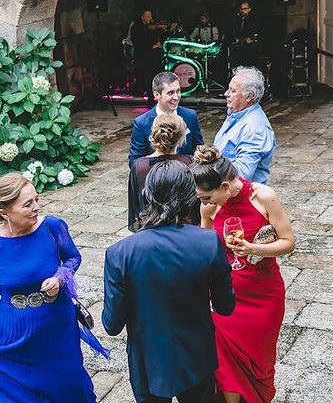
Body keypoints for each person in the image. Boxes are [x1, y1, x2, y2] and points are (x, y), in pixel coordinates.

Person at [103, 160, 236, 403]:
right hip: (196, 356)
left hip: (147, 361)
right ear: (190, 196)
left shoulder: (119, 253)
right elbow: (225, 306)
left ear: (148, 195)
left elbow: (111, 325)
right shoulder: (208, 243)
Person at [190, 145, 295, 403]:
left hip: (263, 294)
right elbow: (204, 249)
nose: (203, 203)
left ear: (225, 186)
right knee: (225, 361)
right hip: (227, 296)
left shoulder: (264, 197)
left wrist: (253, 248)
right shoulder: (209, 209)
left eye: (207, 197)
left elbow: (288, 242)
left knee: (260, 361)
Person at [0, 173, 97, 402]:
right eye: (27, 204)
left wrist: (61, 277)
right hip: (13, 334)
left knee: (66, 385)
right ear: (4, 213)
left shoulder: (52, 226)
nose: (36, 207)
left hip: (56, 328)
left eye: (36, 199)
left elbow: (73, 258)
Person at [128, 113, 198, 232]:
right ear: (181, 138)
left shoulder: (140, 166)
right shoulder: (189, 162)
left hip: (149, 228)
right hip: (183, 228)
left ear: (153, 134)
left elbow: (136, 203)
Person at [129, 71, 204, 168]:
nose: (176, 97)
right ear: (156, 95)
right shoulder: (141, 123)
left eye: (178, 91)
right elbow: (134, 161)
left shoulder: (190, 116)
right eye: (170, 93)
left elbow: (199, 148)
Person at [213, 66, 275, 184]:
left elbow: (241, 175)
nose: (226, 93)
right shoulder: (237, 113)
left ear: (249, 96)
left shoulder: (254, 129)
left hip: (242, 197)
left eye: (233, 91)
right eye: (228, 89)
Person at [130, 9, 163, 106]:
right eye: (148, 17)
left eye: (151, 16)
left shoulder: (151, 28)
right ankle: (149, 98)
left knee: (154, 77)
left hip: (153, 57)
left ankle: (156, 97)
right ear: (142, 18)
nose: (150, 19)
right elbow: (138, 42)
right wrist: (152, 46)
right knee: (146, 78)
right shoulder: (136, 28)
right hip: (143, 56)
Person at [231, 0, 260, 67]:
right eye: (241, 8)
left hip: (249, 49)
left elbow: (255, 33)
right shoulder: (237, 20)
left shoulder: (253, 20)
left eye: (245, 9)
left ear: (249, 9)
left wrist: (251, 39)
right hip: (238, 48)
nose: (242, 10)